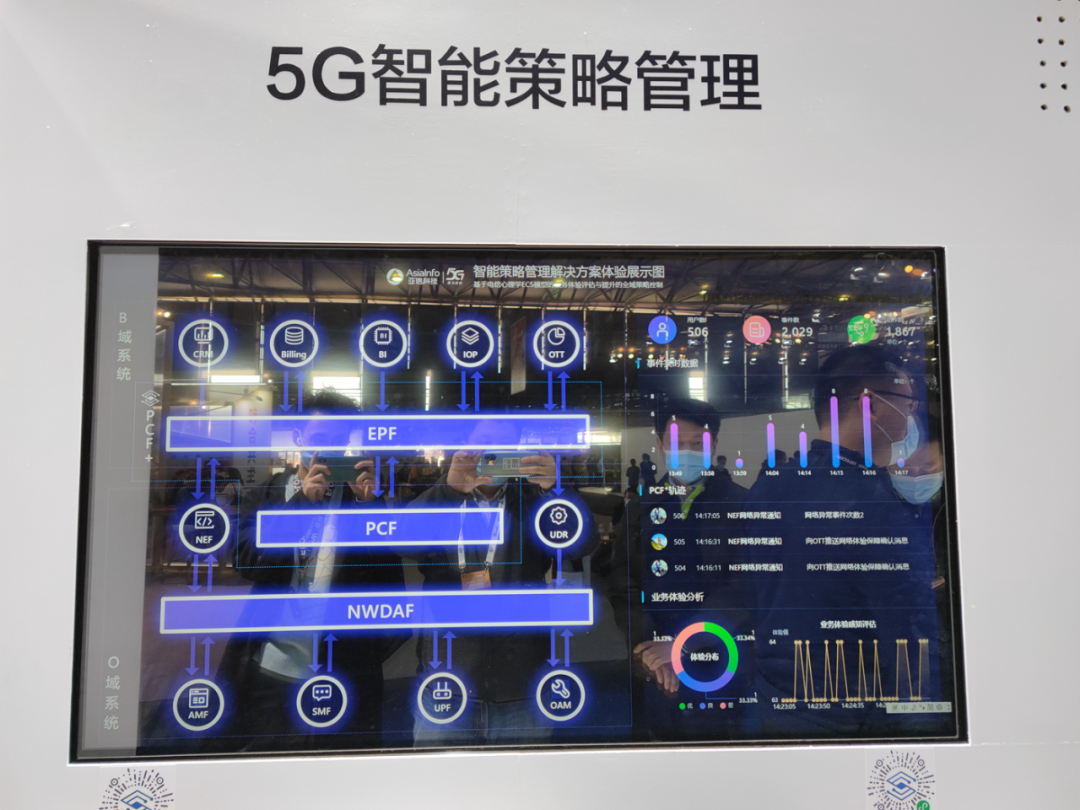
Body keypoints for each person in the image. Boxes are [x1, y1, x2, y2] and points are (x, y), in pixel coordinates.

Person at [742, 345, 940, 735]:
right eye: (906, 401)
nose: (911, 412)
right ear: (871, 405)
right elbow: (902, 615)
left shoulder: (768, 485)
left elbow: (755, 589)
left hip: (779, 692)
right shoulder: (872, 498)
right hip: (856, 704)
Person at [216, 389, 406, 751]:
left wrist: (371, 508)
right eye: (319, 438)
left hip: (344, 672)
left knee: (341, 770)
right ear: (299, 437)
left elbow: (388, 580)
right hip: (272, 668)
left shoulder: (359, 501)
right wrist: (301, 503)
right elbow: (246, 560)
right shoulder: (268, 494)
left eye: (338, 440)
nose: (327, 449)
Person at [406, 416, 597, 745]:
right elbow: (402, 543)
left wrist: (556, 490)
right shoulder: (444, 496)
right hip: (447, 681)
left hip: (521, 684)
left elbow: (582, 544)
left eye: (505, 444)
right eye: (484, 442)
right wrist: (447, 491)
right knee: (438, 777)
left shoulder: (534, 500)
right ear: (465, 447)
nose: (493, 452)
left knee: (524, 776)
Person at [607, 397, 748, 739]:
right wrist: (649, 645)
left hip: (721, 655)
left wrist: (683, 644)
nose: (686, 452)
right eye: (676, 443)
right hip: (655, 664)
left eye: (697, 444)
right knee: (659, 744)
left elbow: (745, 585)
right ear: (660, 445)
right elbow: (623, 581)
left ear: (713, 444)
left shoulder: (741, 503)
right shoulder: (642, 506)